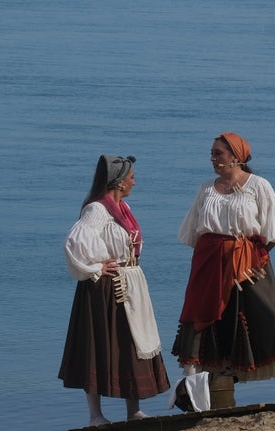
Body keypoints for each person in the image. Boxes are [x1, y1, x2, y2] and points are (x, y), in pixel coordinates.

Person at [171, 132, 275, 403]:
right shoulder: (206, 188)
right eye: (212, 153)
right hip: (210, 263)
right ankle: (203, 391)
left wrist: (257, 256)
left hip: (249, 261)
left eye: (219, 153)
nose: (213, 158)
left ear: (236, 157)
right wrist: (214, 259)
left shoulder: (258, 186)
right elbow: (193, 231)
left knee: (273, 315)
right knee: (204, 322)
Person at [59, 155, 170, 426]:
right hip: (106, 288)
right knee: (98, 345)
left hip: (131, 282)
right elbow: (74, 243)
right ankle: (95, 415)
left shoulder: (123, 207)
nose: (134, 181)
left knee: (131, 343)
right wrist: (95, 267)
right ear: (119, 182)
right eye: (131, 177)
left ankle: (133, 411)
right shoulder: (97, 210)